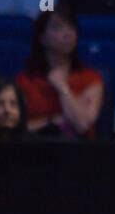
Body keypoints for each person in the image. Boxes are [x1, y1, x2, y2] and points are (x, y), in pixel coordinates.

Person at [16, 10, 104, 138]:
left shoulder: (91, 79)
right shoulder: (24, 81)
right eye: (57, 28)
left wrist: (62, 87)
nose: (67, 33)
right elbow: (17, 129)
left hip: (80, 152)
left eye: (71, 27)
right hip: (35, 150)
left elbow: (82, 124)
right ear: (42, 37)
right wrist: (54, 121)